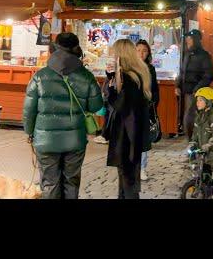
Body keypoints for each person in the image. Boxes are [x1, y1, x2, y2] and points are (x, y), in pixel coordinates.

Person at [23, 32, 103, 199]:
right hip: (75, 139)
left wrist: (29, 132)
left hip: (45, 140)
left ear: (55, 49)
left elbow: (29, 110)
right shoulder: (86, 76)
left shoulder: (40, 76)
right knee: (71, 182)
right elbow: (96, 106)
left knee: (50, 183)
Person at [105, 39, 152, 199]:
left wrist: (111, 88)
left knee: (128, 179)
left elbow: (119, 105)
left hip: (127, 135)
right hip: (133, 133)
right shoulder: (138, 73)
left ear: (120, 55)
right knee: (127, 178)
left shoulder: (129, 79)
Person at [175, 29, 213, 140]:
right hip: (185, 91)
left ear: (195, 40)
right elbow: (182, 72)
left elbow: (209, 75)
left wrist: (198, 89)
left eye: (190, 39)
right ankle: (192, 141)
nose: (187, 41)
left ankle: (194, 142)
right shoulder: (187, 54)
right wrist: (178, 85)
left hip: (197, 92)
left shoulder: (204, 56)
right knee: (188, 118)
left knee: (191, 118)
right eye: (187, 38)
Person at [136, 39, 160, 181]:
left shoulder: (150, 69)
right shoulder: (129, 67)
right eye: (138, 50)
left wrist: (153, 103)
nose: (141, 53)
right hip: (132, 109)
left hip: (146, 108)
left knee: (144, 140)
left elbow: (155, 89)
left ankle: (142, 168)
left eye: (144, 51)